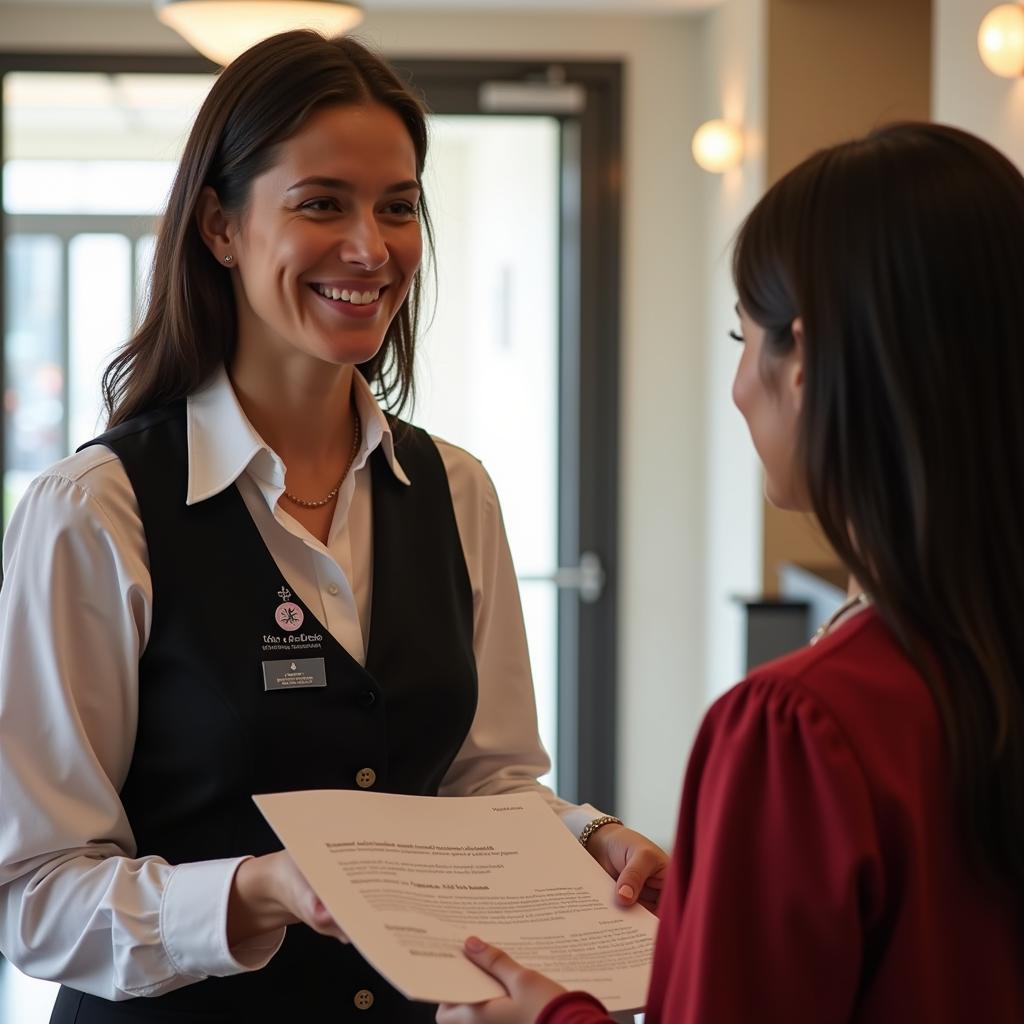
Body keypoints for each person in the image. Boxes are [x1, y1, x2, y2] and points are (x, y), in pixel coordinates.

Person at [0, 32, 667, 1023]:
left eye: (397, 206)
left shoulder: (455, 489)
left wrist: (580, 835)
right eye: (322, 203)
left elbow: (485, 783)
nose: (371, 248)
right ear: (220, 227)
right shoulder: (95, 508)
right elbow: (34, 893)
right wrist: (253, 890)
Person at [436, 122, 1024, 1024]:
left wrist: (554, 1018)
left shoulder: (802, 727)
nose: (739, 384)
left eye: (742, 336)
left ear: (810, 361)